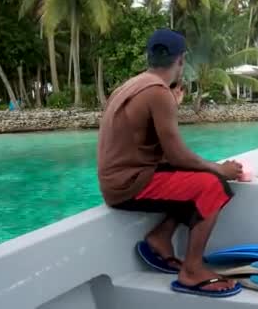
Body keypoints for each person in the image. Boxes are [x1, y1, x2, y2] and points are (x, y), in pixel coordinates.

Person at [97, 28, 243, 296]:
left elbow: (160, 151)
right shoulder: (158, 92)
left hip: (116, 180)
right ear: (181, 60)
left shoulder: (131, 85)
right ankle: (192, 271)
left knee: (191, 175)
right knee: (213, 185)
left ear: (149, 57)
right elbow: (176, 155)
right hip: (127, 185)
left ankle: (160, 237)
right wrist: (219, 169)